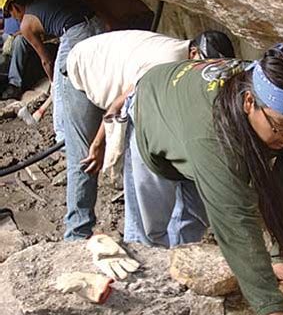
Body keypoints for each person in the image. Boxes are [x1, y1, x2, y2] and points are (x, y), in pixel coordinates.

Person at [124, 42, 283, 315]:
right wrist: (272, 310)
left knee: (189, 228)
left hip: (197, 135)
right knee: (147, 235)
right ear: (249, 103)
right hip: (154, 116)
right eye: (281, 126)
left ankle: (181, 313)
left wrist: (282, 253)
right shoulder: (213, 134)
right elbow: (234, 218)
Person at [63, 29, 235, 241]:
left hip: (121, 79)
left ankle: (177, 248)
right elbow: (117, 106)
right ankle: (76, 235)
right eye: (204, 66)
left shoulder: (187, 70)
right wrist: (100, 144)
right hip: (82, 67)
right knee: (84, 160)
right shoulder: (166, 62)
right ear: (193, 52)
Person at [0, 0, 104, 137]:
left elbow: (47, 61)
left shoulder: (26, 23)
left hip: (75, 32)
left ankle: (62, 137)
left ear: (14, 7)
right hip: (97, 23)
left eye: (9, 14)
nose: (13, 17)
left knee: (62, 90)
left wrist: (54, 83)